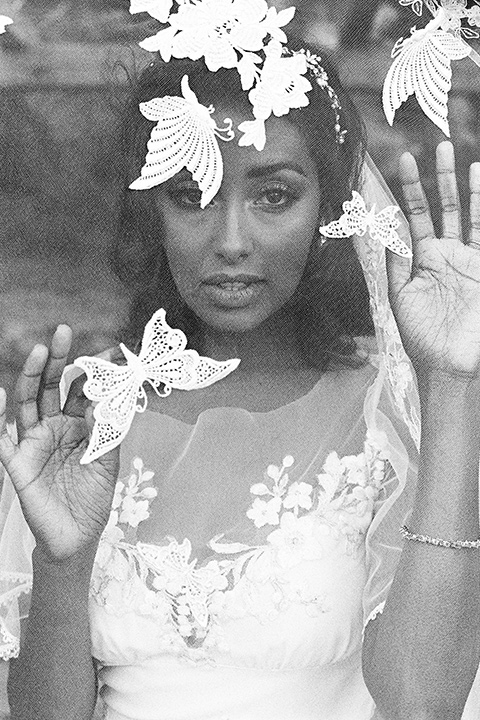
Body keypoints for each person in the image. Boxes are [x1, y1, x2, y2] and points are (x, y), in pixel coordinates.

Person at [0, 20, 479, 720]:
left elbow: (423, 702)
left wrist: (456, 384)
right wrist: (63, 562)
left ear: (331, 208)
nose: (230, 242)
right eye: (191, 195)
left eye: (273, 196)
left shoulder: (390, 416)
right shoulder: (85, 417)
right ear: (149, 205)